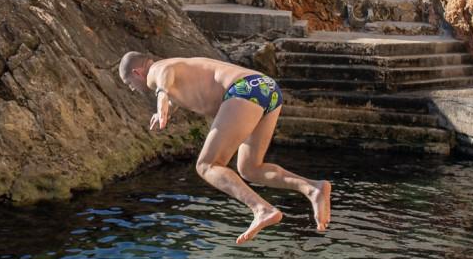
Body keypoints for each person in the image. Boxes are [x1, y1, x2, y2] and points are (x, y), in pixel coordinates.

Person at [119, 52, 331, 245]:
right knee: (250, 169)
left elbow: (165, 73)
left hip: (243, 90)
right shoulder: (179, 70)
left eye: (129, 84)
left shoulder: (156, 71)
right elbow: (178, 87)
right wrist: (165, 109)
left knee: (206, 165)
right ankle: (313, 188)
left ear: (137, 72)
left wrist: (162, 94)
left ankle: (262, 209)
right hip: (266, 88)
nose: (133, 89)